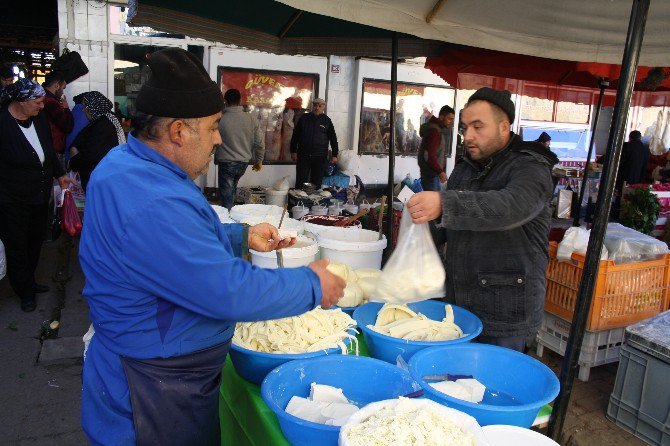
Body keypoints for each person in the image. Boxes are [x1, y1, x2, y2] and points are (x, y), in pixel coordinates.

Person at [78, 48, 345, 445]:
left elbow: (166, 254)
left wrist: (238, 237)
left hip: (155, 373)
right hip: (153, 390)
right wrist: (311, 285)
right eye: (214, 126)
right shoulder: (152, 198)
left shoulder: (127, 165)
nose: (219, 138)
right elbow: (226, 289)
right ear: (179, 132)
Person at [407, 87, 558, 352]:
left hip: (505, 313)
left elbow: (510, 207)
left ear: (504, 127)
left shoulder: (530, 168)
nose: (468, 136)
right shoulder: (466, 168)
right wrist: (419, 227)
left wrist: (444, 203)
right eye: (465, 128)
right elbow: (447, 226)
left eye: (478, 127)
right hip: (459, 304)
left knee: (492, 385)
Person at [0, 79, 76, 312]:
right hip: (11, 198)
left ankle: (30, 282)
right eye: (37, 101)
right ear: (21, 102)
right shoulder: (3, 124)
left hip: (40, 196)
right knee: (17, 245)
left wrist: (60, 174)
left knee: (35, 241)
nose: (42, 106)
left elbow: (48, 152)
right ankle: (24, 291)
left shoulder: (39, 119)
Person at [214, 88, 264, 209]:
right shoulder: (251, 119)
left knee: (226, 197)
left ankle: (227, 223)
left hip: (226, 163)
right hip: (243, 163)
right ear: (240, 100)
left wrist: (212, 157)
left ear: (225, 101)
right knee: (232, 190)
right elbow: (259, 143)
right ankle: (231, 217)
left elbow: (212, 141)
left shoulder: (220, 119)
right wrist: (259, 161)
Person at [69, 91, 126, 190]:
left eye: (85, 107)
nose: (83, 110)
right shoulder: (106, 119)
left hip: (101, 179)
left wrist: (73, 162)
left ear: (93, 108)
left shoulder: (104, 125)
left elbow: (92, 154)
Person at [290, 97, 338, 189]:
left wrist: (335, 154)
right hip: (303, 155)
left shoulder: (327, 120)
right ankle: (299, 202)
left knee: (316, 182)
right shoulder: (304, 118)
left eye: (319, 106)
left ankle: (314, 202)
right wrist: (293, 151)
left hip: (320, 157)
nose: (317, 108)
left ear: (323, 107)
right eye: (315, 105)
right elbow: (295, 135)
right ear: (313, 106)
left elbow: (333, 138)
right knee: (300, 181)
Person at [417, 105, 455, 191]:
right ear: (441, 117)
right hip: (431, 175)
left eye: (453, 119)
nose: (451, 122)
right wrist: (440, 172)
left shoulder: (437, 130)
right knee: (433, 202)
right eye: (450, 119)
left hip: (431, 174)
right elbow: (429, 156)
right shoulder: (434, 132)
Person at [42, 71, 73, 158]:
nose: (63, 92)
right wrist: (66, 108)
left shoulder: (42, 98)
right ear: (56, 85)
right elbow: (67, 126)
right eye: (63, 88)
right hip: (53, 150)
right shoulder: (51, 103)